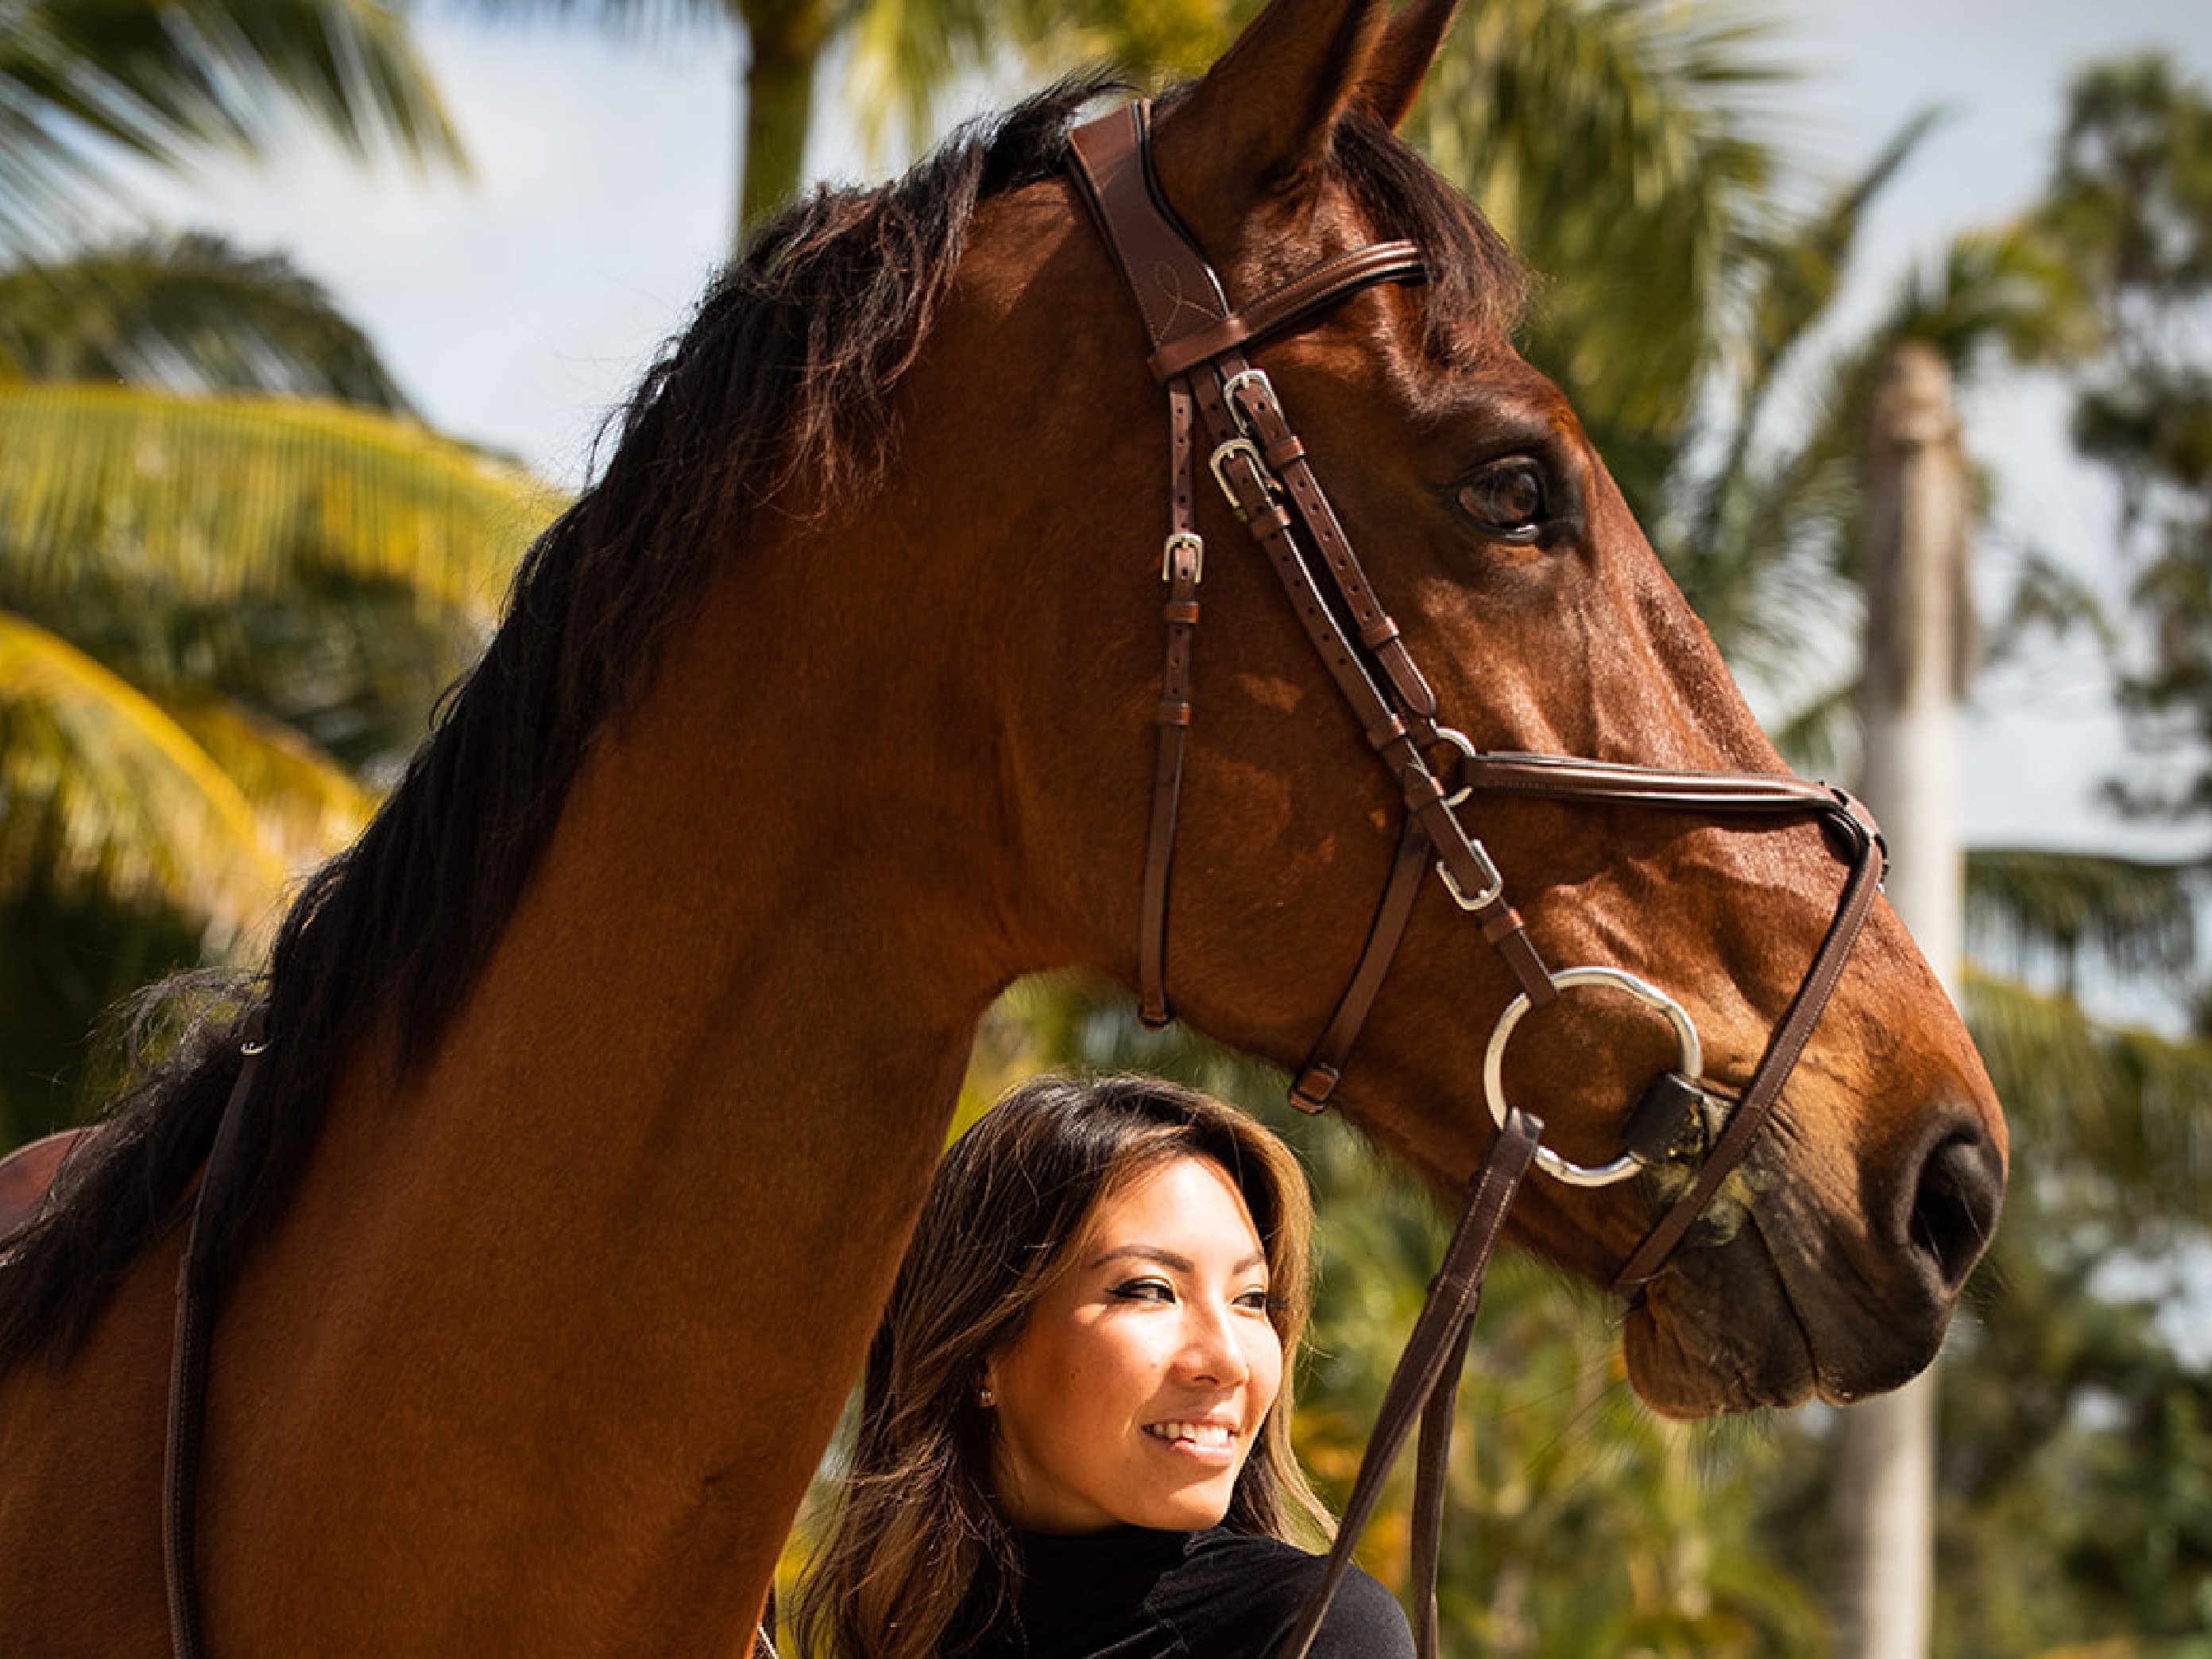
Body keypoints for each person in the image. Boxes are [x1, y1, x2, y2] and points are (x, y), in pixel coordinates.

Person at [787, 1074, 1414, 1658]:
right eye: (1149, 1290)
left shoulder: (1309, 1628)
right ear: (979, 1347)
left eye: (1251, 1300)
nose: (1227, 1361)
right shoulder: (897, 1632)